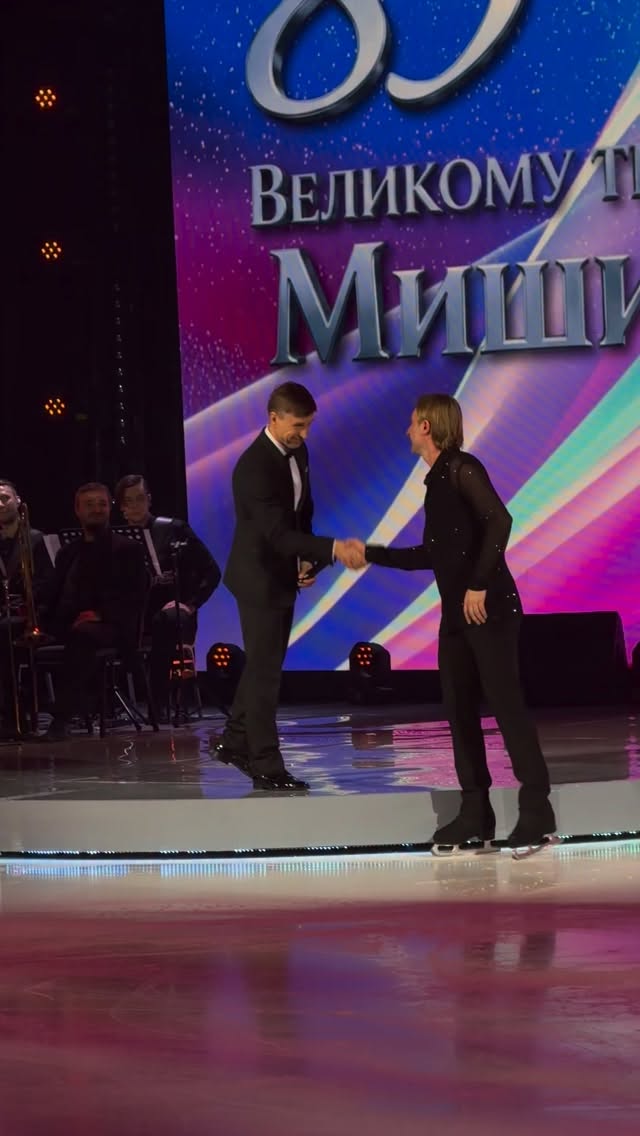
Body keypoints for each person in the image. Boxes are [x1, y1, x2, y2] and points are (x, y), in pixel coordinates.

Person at [355, 393, 556, 853]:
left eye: (412, 422)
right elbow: (433, 554)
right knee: (459, 709)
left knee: (505, 706)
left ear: (427, 426)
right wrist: (370, 553)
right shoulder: (435, 482)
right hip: (456, 615)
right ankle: (475, 813)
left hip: (489, 608)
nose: (407, 430)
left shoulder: (462, 468)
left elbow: (500, 520)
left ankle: (536, 811)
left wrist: (479, 584)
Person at [215, 381, 361, 792]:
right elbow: (276, 533)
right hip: (258, 577)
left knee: (264, 666)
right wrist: (332, 549)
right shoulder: (253, 467)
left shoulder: (299, 451)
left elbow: (300, 514)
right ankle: (265, 765)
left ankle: (233, 742)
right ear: (273, 418)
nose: (305, 433)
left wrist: (307, 558)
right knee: (265, 676)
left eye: (309, 425)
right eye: (298, 425)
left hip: (280, 570)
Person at [41, 482, 147, 739]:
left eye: (102, 504)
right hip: (69, 623)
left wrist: (100, 615)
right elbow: (53, 592)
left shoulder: (127, 548)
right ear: (77, 510)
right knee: (8, 632)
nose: (97, 509)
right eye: (89, 505)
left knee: (83, 636)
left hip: (112, 625)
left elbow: (135, 594)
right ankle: (12, 718)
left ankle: (62, 719)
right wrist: (35, 618)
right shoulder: (68, 552)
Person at [114, 474, 221, 713]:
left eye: (140, 498)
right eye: (128, 501)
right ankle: (107, 704)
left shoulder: (173, 529)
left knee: (167, 620)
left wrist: (190, 604)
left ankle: (158, 702)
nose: (135, 505)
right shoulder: (115, 539)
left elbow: (211, 571)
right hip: (133, 615)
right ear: (121, 506)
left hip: (172, 611)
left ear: (149, 499)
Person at [0, 479, 54, 737]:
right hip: (5, 613)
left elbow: (49, 583)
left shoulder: (35, 539)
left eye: (5, 498)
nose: (0, 504)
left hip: (32, 615)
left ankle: (13, 716)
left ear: (18, 501)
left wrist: (24, 602)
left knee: (4, 632)